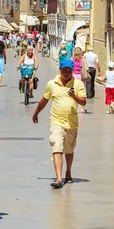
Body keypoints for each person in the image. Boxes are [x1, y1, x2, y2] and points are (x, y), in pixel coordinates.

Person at [32, 58, 86, 189]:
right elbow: (44, 100)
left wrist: (74, 96)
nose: (67, 73)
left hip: (71, 123)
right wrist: (36, 112)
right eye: (64, 70)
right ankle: (58, 178)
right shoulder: (52, 84)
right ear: (60, 69)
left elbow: (83, 102)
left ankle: (68, 172)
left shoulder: (77, 84)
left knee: (69, 151)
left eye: (69, 70)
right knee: (57, 147)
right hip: (56, 121)